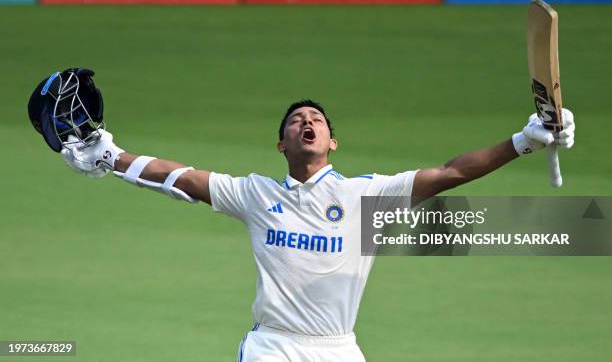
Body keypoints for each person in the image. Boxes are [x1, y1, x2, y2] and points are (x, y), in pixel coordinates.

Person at [60, 99, 575, 362]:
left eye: (317, 120)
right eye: (295, 121)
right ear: (282, 144)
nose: (306, 122)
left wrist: (524, 141)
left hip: (338, 347)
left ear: (332, 142)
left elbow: (451, 172)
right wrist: (111, 156)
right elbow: (185, 179)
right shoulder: (258, 194)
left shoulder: (366, 195)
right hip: (274, 347)